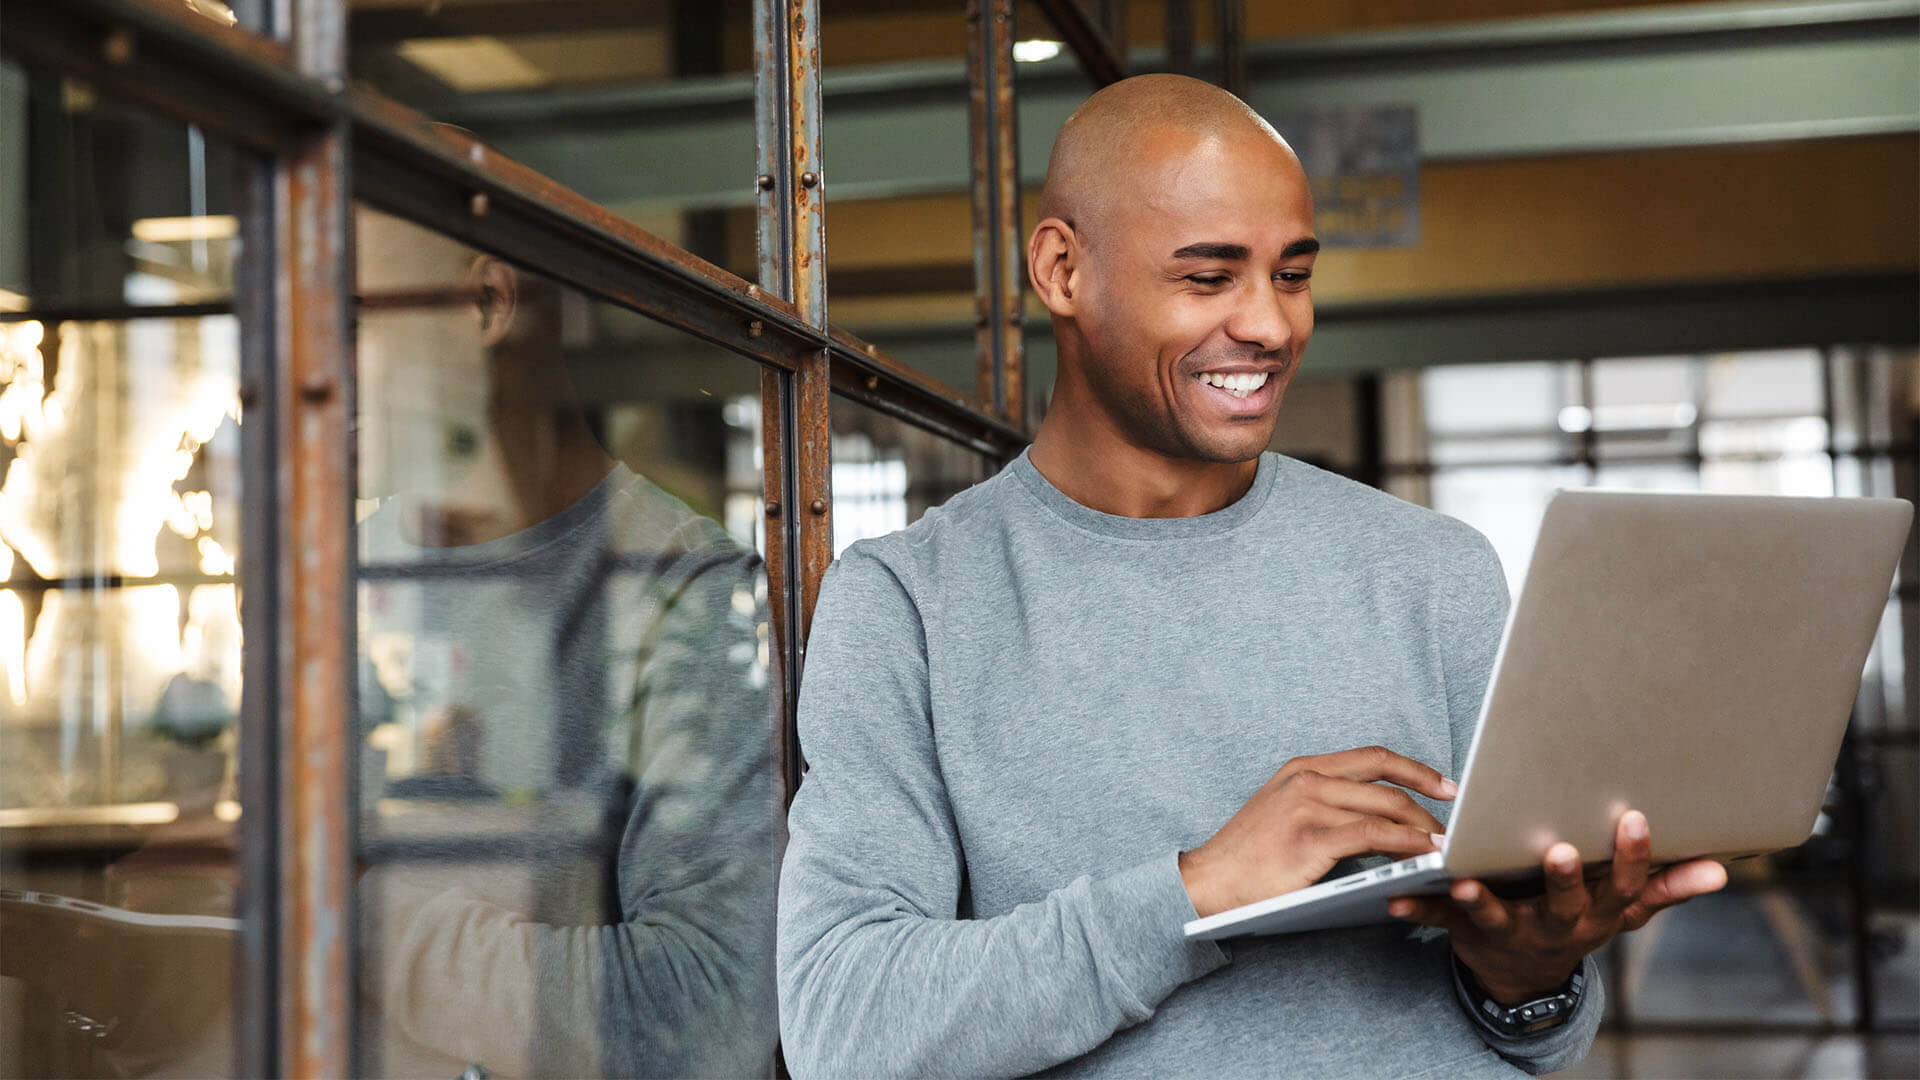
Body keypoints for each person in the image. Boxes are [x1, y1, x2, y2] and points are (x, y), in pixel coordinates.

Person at [776, 74, 1727, 1078]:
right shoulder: (910, 605)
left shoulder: (1434, 572)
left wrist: (1531, 975)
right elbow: (847, 1026)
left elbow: (1543, 1034)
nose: (1271, 327)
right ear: (1061, 269)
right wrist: (1198, 892)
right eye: (1209, 276)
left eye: (1292, 274)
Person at [353, 215, 781, 1078]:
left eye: (348, 321)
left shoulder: (688, 594)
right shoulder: (331, 578)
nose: (306, 367)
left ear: (486, 303)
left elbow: (705, 1017)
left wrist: (348, 916)